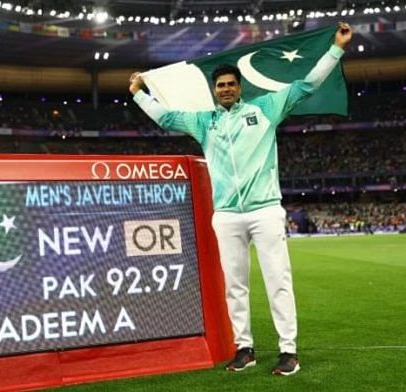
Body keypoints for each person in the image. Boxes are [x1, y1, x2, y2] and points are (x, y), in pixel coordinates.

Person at [129, 23, 353, 376]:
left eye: (231, 84)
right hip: (228, 216)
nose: (226, 89)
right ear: (214, 91)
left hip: (264, 210)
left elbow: (306, 85)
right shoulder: (205, 123)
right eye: (221, 86)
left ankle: (288, 351)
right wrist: (139, 93)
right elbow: (167, 117)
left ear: (240, 87)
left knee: (278, 280)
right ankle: (243, 348)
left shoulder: (266, 108)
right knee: (235, 286)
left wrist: (337, 49)